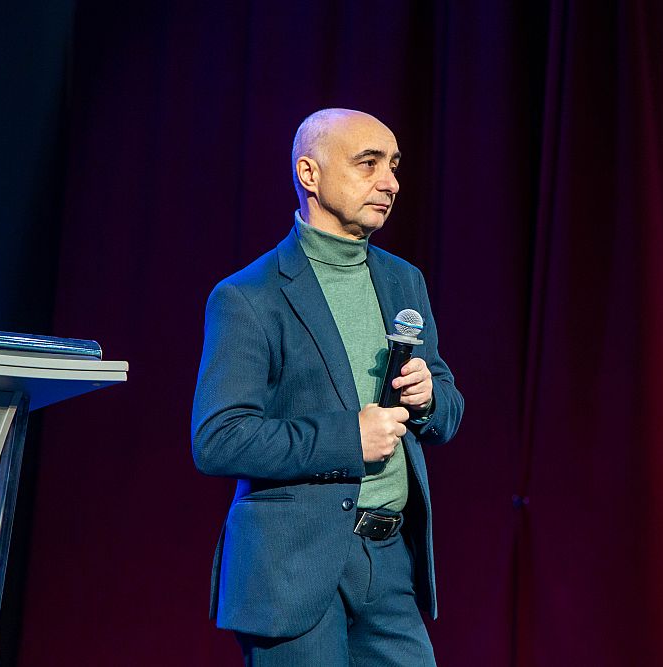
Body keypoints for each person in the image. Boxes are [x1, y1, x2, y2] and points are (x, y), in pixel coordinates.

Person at [191, 108, 464, 666]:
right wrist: (348, 438)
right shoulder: (249, 296)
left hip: (390, 561)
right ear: (309, 174)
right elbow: (218, 439)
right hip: (292, 569)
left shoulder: (403, 279)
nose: (390, 182)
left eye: (393, 166)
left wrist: (429, 397)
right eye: (368, 163)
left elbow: (447, 406)